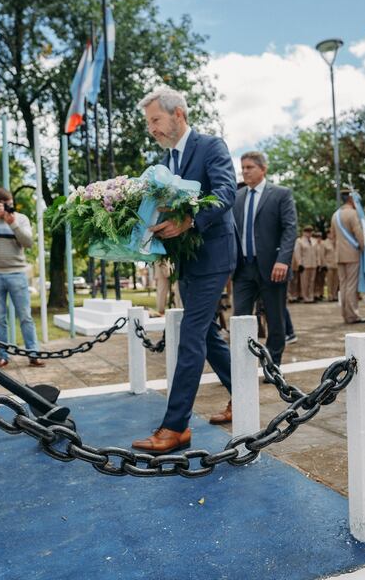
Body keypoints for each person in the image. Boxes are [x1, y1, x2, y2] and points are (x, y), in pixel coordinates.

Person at [131, 86, 237, 454]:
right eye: (148, 123)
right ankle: (242, 393)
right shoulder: (166, 162)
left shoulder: (211, 146)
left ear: (178, 114)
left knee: (191, 336)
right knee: (206, 334)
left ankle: (176, 427)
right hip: (187, 260)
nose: (152, 129)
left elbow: (226, 193)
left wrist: (191, 220)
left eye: (155, 120)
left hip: (214, 255)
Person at [229, 151, 297, 394]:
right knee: (240, 318)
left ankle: (272, 366)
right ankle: (240, 366)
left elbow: (290, 229)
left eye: (250, 167)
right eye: (243, 167)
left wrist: (283, 261)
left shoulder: (280, 194)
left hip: (272, 267)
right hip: (242, 269)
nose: (245, 171)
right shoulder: (237, 197)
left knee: (276, 319)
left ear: (263, 169)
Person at [0, 187, 44, 368]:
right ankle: (3, 356)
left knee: (25, 316)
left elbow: (28, 242)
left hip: (17, 274)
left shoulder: (21, 219)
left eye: (10, 204)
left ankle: (33, 354)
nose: (8, 208)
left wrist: (13, 224)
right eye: (4, 205)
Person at [332, 190, 365, 324]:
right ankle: (353, 315)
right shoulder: (352, 213)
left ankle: (345, 314)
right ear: (351, 199)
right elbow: (358, 233)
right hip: (352, 253)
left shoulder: (335, 215)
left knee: (343, 285)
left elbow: (333, 236)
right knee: (352, 285)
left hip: (339, 254)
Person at [293, 226, 317, 303]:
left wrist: (317, 263)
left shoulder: (314, 240)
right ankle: (305, 297)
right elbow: (297, 253)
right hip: (304, 264)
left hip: (313, 264)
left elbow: (316, 253)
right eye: (307, 231)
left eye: (310, 231)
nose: (309, 233)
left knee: (312, 282)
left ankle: (311, 297)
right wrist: (299, 264)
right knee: (304, 282)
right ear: (303, 232)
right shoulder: (299, 241)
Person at [324, 227, 339, 301]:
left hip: (337, 264)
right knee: (329, 281)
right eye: (331, 233)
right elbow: (323, 255)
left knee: (336, 281)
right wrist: (324, 264)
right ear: (328, 234)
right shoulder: (325, 243)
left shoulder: (337, 242)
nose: (332, 235)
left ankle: (335, 295)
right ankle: (330, 295)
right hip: (329, 264)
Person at [312, 231, 327, 301]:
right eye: (317, 237)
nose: (319, 238)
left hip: (323, 265)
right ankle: (315, 294)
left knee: (322, 280)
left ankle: (321, 293)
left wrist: (325, 264)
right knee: (315, 280)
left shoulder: (323, 244)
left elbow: (325, 255)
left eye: (320, 237)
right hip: (315, 264)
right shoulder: (313, 244)